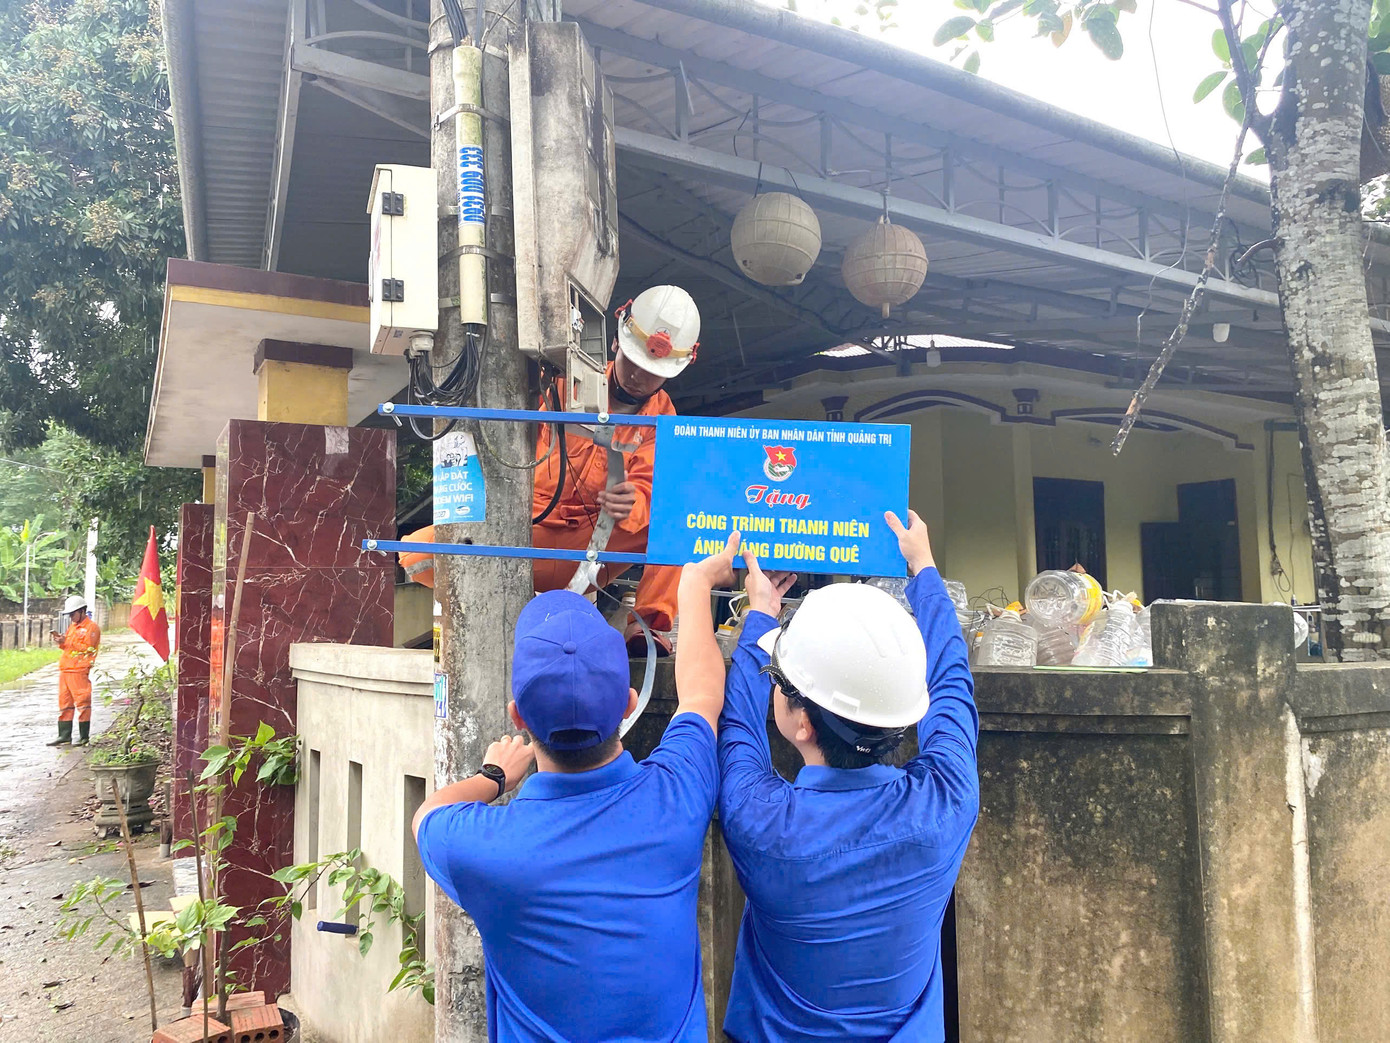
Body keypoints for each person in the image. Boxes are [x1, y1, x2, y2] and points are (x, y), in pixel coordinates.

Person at [412, 532, 740, 1043]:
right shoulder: (675, 798)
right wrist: (694, 584)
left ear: (518, 716)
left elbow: (426, 816)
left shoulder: (486, 847)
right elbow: (700, 696)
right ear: (628, 703)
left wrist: (494, 776)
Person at [711, 511, 978, 1041]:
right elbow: (952, 680)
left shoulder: (760, 823)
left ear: (803, 723)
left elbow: (736, 721)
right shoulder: (947, 801)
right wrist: (923, 567)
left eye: (778, 677)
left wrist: (760, 614)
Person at [531, 284, 701, 656]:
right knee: (424, 553)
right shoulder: (561, 385)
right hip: (531, 533)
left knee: (679, 517)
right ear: (614, 343)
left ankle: (647, 627)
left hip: (600, 543)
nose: (639, 376)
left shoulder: (664, 420)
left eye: (652, 371)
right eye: (633, 361)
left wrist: (633, 501)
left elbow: (651, 484)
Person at [47, 594, 101, 747]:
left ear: (82, 611)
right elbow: (68, 646)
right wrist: (61, 641)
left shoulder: (91, 628)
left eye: (73, 614)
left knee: (82, 702)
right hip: (66, 669)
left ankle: (84, 737)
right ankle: (64, 735)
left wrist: (68, 642)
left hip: (79, 670)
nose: (71, 617)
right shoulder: (73, 627)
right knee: (65, 703)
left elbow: (88, 648)